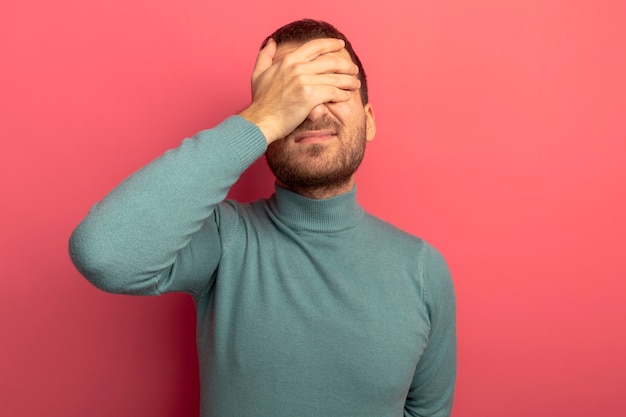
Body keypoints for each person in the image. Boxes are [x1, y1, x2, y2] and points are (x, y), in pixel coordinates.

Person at [69, 19, 456, 417]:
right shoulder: (225, 240)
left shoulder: (423, 269)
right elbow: (103, 254)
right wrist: (262, 118)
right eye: (293, 93)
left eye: (334, 87)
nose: (313, 109)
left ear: (369, 119)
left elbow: (427, 411)